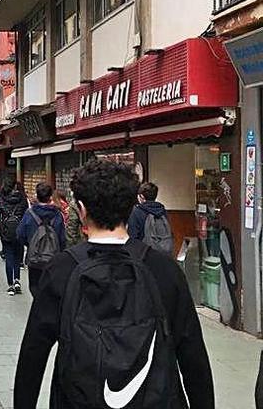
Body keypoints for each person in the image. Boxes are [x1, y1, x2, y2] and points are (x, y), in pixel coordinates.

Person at [14, 159, 214, 409]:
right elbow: (193, 357)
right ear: (131, 208)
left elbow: (33, 353)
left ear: (82, 209)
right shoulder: (164, 269)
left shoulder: (62, 270)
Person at [16, 183, 66, 296]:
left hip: (34, 258)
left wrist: (30, 244)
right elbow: (62, 239)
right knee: (49, 288)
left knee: (35, 287)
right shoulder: (57, 215)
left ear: (37, 196)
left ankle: (38, 306)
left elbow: (20, 234)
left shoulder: (29, 214)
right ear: (50, 197)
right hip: (53, 258)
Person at [0, 178, 28, 295]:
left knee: (9, 256)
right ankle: (17, 280)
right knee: (18, 257)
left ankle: (11, 285)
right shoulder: (22, 199)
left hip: (6, 231)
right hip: (19, 231)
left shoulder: (0, 199)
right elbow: (26, 215)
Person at [127, 182, 175, 255]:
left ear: (141, 196)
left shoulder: (136, 211)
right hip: (163, 255)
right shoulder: (162, 210)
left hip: (144, 254)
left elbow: (133, 236)